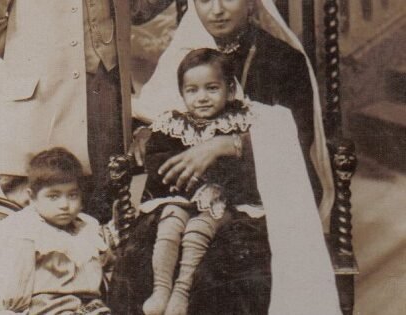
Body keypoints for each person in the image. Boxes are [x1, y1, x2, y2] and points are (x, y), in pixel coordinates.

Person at [110, 1, 342, 314]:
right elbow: (157, 113)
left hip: (259, 194)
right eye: (205, 0)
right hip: (185, 195)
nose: (216, 9)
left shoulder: (284, 59)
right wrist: (144, 133)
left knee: (224, 262)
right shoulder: (185, 55)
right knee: (141, 254)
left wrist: (229, 145)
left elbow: (298, 140)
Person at [0, 0, 174, 220]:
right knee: (45, 224)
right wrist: (34, 54)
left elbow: (140, 7)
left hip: (107, 97)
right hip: (46, 104)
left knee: (106, 218)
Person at [140, 48, 262, 315]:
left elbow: (248, 168)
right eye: (192, 90)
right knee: (170, 222)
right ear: (182, 93)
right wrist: (188, 182)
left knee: (200, 226)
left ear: (230, 91)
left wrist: (216, 182)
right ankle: (161, 289)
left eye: (211, 88)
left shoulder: (239, 123)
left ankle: (182, 292)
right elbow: (157, 162)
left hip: (224, 199)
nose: (202, 98)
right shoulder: (173, 125)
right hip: (181, 195)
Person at [0, 147, 117, 314]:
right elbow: (13, 288)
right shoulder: (25, 230)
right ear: (32, 197)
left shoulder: (87, 227)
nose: (64, 205)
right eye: (53, 196)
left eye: (72, 195)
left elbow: (108, 268)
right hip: (46, 310)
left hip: (90, 309)